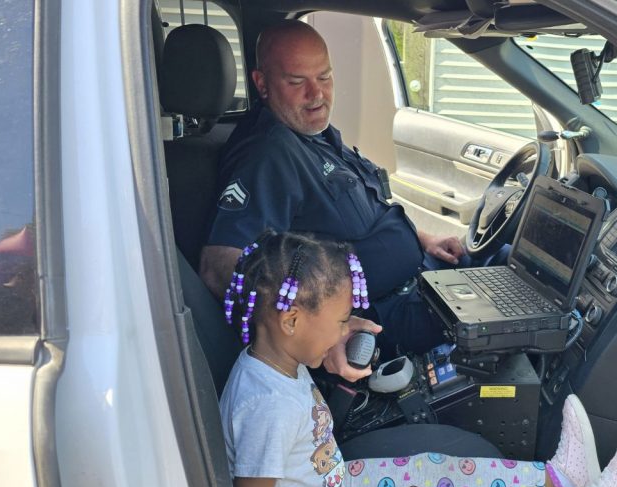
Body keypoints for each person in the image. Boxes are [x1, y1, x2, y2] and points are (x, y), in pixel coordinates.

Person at [219, 231, 617, 487]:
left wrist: (337, 339)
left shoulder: (279, 362)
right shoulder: (266, 407)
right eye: (340, 321)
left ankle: (558, 476)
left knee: (435, 468)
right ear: (291, 321)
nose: (346, 330)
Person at [201, 19, 478, 363]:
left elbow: (364, 208)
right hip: (383, 320)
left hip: (420, 275)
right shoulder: (268, 153)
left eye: (325, 77)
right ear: (262, 83)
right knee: (512, 319)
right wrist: (319, 335)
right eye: (297, 81)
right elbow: (220, 266)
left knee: (503, 275)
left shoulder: (311, 133)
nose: (316, 94)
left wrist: (424, 239)